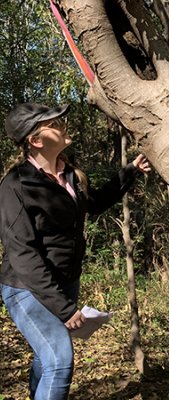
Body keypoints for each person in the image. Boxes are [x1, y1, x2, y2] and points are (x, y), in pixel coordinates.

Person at [0, 102, 151, 400]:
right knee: (59, 362)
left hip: (65, 280)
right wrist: (65, 309)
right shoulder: (15, 186)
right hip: (27, 286)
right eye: (53, 123)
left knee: (46, 357)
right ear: (36, 140)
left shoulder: (69, 174)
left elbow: (93, 204)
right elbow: (23, 254)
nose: (62, 124)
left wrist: (130, 171)